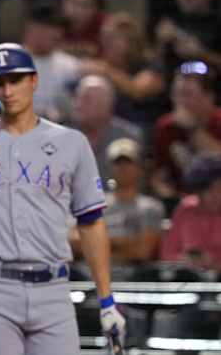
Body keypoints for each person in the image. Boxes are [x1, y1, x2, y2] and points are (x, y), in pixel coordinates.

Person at [0, 43, 124, 355]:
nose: (7, 90)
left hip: (53, 286)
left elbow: (91, 222)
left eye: (15, 80)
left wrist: (107, 300)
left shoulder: (71, 142)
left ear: (33, 80)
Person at [72, 138, 164, 266]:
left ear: (139, 167)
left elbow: (142, 251)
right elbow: (73, 243)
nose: (123, 168)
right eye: (117, 163)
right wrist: (125, 243)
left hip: (132, 279)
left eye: (128, 162)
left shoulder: (151, 207)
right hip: (89, 274)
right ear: (109, 168)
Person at [151, 61, 221, 200]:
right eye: (177, 95)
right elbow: (159, 176)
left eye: (188, 95)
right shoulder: (166, 127)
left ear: (209, 98)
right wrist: (170, 196)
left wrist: (193, 129)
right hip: (182, 201)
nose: (180, 102)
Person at [68, 75, 143, 185]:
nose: (78, 104)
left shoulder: (127, 137)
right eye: (77, 98)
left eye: (87, 99)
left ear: (106, 105)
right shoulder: (62, 137)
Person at [161, 153, 221, 274]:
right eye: (209, 190)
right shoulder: (185, 209)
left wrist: (215, 264)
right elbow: (167, 254)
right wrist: (186, 261)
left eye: (219, 188)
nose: (216, 195)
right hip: (188, 281)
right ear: (197, 190)